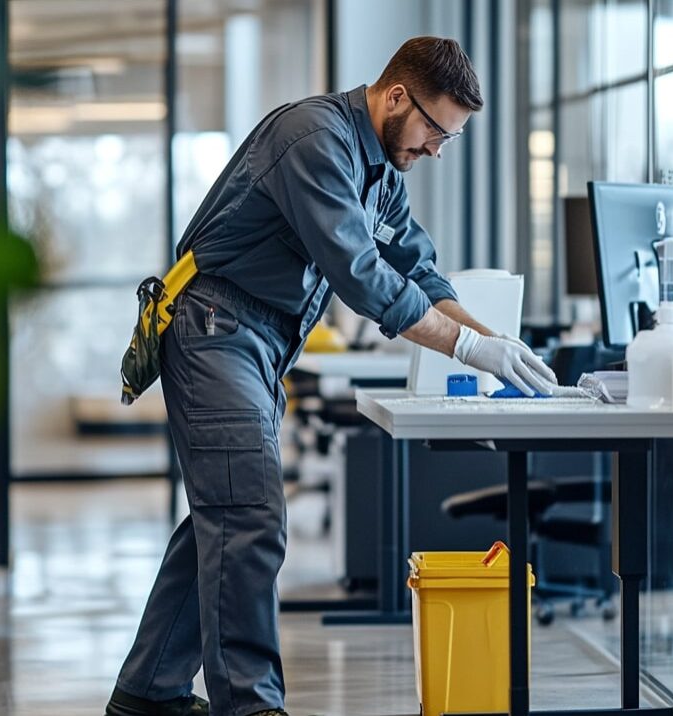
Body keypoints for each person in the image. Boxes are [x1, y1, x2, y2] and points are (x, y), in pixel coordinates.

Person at [105, 36, 556, 716]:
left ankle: (148, 694)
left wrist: (500, 346)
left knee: (220, 518)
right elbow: (365, 280)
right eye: (437, 129)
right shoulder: (314, 137)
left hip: (255, 340)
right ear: (396, 96)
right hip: (215, 329)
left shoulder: (383, 171)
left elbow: (420, 272)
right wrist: (467, 350)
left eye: (451, 140)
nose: (437, 149)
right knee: (248, 515)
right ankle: (251, 706)